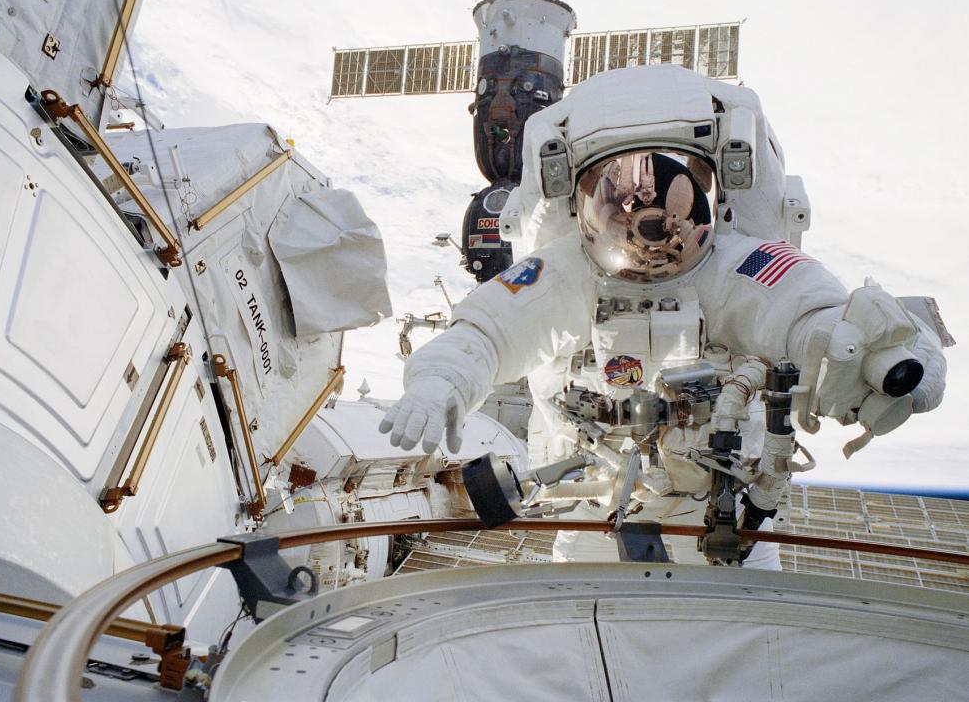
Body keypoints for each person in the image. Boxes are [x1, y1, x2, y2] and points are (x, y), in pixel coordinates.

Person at [380, 65, 948, 567]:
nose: (648, 218)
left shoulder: (743, 263)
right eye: (619, 191)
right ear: (581, 200)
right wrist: (441, 380)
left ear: (711, 190)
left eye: (670, 186)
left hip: (726, 511)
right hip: (591, 506)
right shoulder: (564, 272)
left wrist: (875, 354)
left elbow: (815, 317)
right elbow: (486, 332)